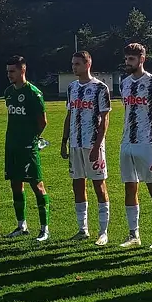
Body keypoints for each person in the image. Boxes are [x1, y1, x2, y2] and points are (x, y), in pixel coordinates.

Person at [117, 42, 152, 250]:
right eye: (126, 58)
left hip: (147, 143)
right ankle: (134, 234)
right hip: (127, 142)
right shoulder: (125, 83)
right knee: (130, 187)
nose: (128, 62)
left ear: (142, 59)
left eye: (131, 59)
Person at [60, 51, 111, 244]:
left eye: (77, 64)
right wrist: (64, 141)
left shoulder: (100, 88)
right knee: (78, 185)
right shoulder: (72, 87)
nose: (74, 67)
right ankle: (83, 229)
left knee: (99, 185)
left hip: (92, 145)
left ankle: (103, 231)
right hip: (75, 144)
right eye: (73, 64)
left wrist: (97, 146)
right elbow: (69, 115)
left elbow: (105, 119)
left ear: (88, 64)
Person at [3, 56, 50, 241]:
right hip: (11, 145)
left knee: (37, 185)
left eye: (12, 71)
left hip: (28, 146)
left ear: (22, 70)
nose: (9, 75)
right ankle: (21, 226)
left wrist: (33, 138)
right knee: (15, 184)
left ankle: (44, 228)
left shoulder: (33, 93)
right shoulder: (8, 92)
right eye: (7, 72)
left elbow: (43, 121)